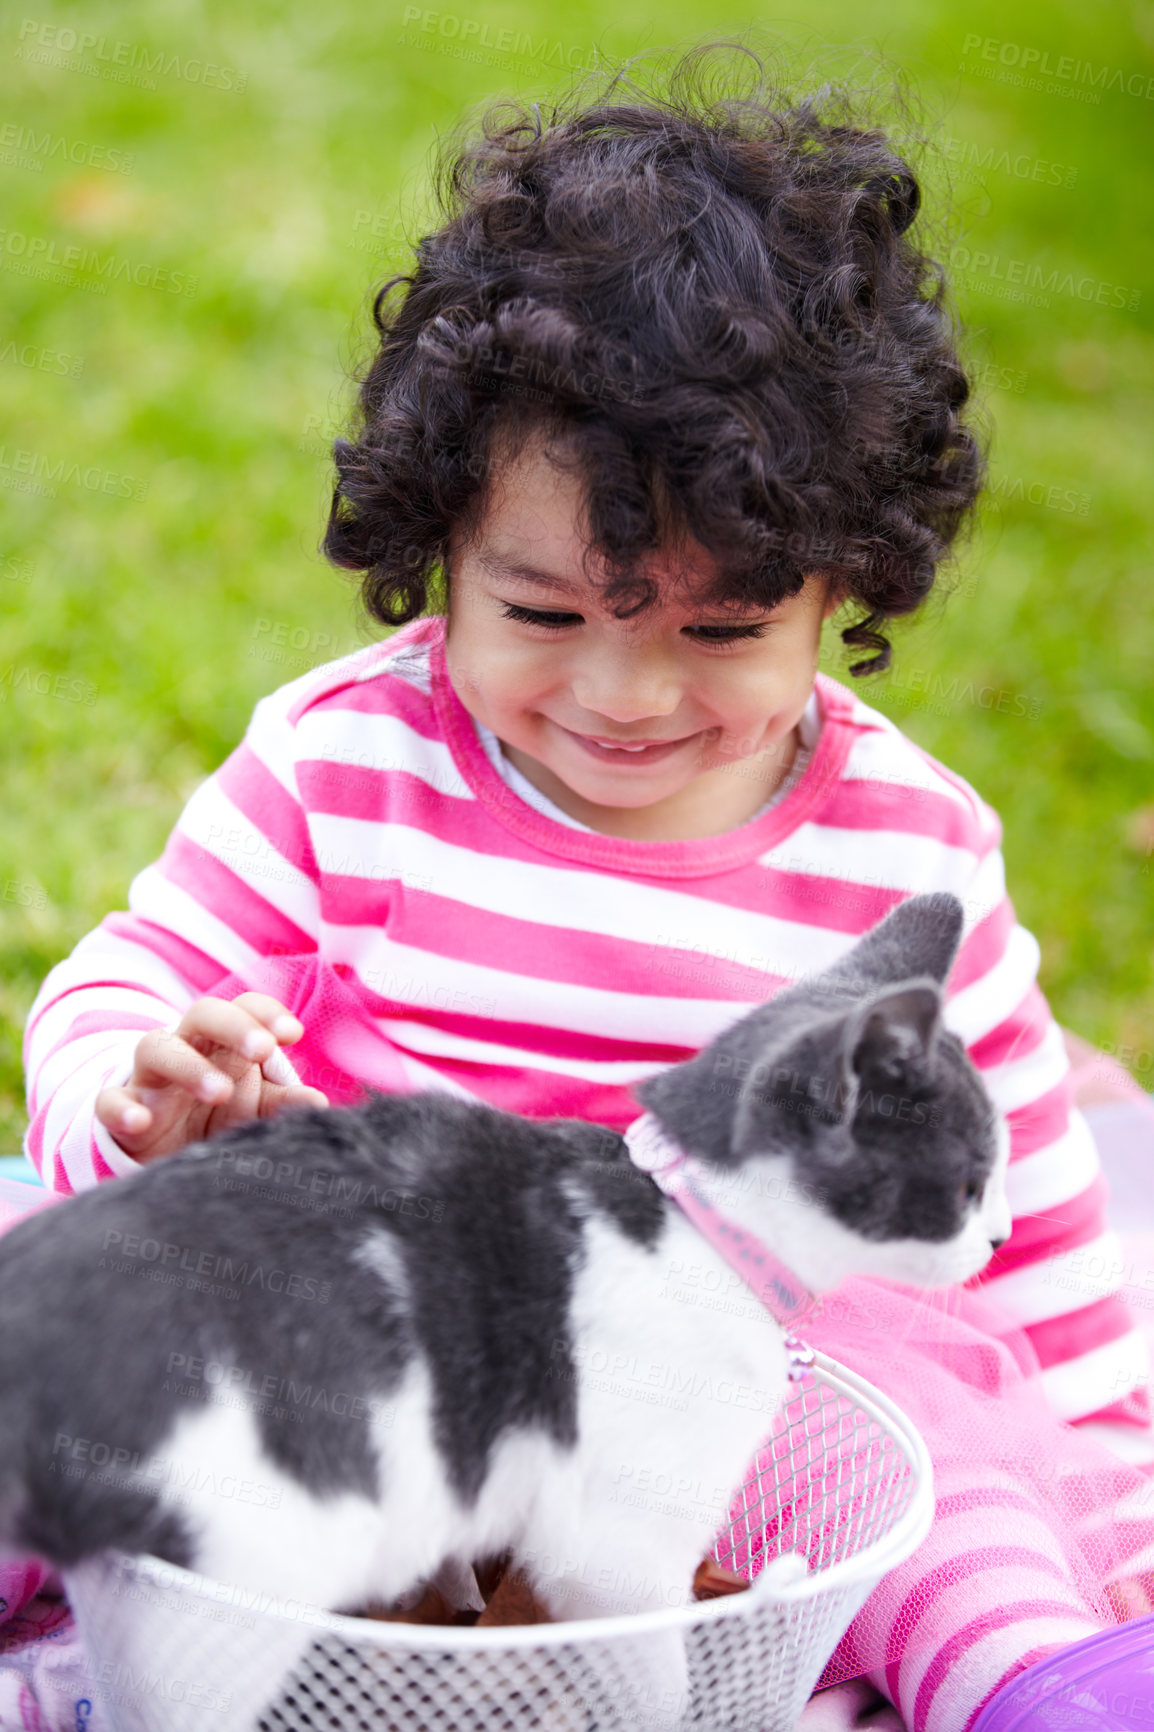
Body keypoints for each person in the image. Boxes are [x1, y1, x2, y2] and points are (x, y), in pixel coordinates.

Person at [19, 47, 1154, 1732]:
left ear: (840, 586)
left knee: (951, 1416)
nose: (622, 697)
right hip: (354, 1352)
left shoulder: (905, 850)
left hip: (717, 1412)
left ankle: (1043, 1680)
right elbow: (119, 983)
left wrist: (1115, 1539)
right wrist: (135, 1091)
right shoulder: (350, 766)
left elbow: (1036, 1244)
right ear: (442, 553)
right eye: (543, 614)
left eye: (714, 630)